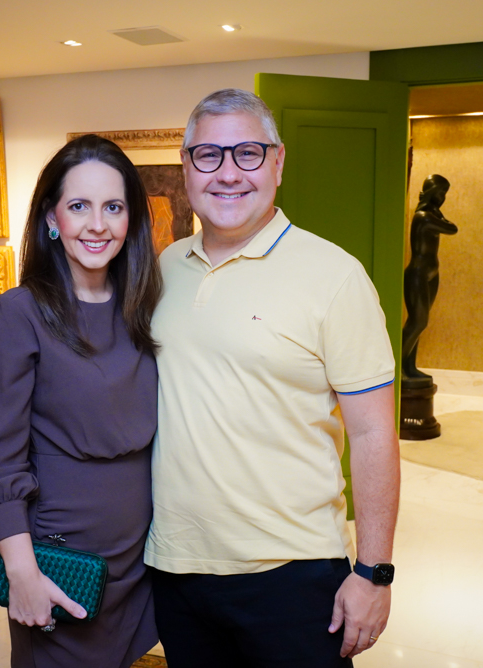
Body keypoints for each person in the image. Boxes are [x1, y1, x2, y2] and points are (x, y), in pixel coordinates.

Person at [145, 89, 401, 667]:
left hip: (294, 574)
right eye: (208, 155)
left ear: (278, 162)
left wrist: (374, 572)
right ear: (186, 167)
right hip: (176, 567)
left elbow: (373, 434)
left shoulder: (336, 277)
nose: (228, 173)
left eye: (248, 153)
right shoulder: (164, 268)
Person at [0, 134, 163, 668]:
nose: (97, 224)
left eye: (113, 207)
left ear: (131, 219)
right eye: (79, 206)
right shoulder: (19, 314)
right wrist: (23, 573)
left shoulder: (145, 308)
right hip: (61, 557)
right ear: (52, 218)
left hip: (140, 559)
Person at [401, 174, 458, 385]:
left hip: (431, 274)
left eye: (445, 193)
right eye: (441, 192)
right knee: (418, 322)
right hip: (417, 273)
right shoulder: (423, 216)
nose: (443, 197)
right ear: (432, 192)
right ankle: (397, 366)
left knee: (420, 323)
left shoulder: (432, 214)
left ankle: (409, 367)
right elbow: (452, 228)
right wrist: (435, 210)